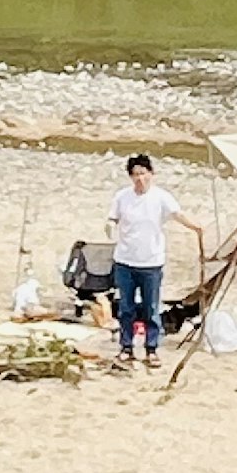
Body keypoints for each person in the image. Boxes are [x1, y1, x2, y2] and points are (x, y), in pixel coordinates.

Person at [105, 153, 180, 368]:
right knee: (126, 308)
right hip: (125, 260)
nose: (140, 178)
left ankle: (152, 349)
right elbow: (113, 216)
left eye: (143, 173)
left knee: (151, 308)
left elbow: (177, 214)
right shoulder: (122, 197)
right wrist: (110, 224)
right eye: (136, 174)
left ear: (151, 174)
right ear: (130, 176)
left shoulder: (161, 197)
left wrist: (196, 228)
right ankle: (126, 347)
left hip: (151, 262)